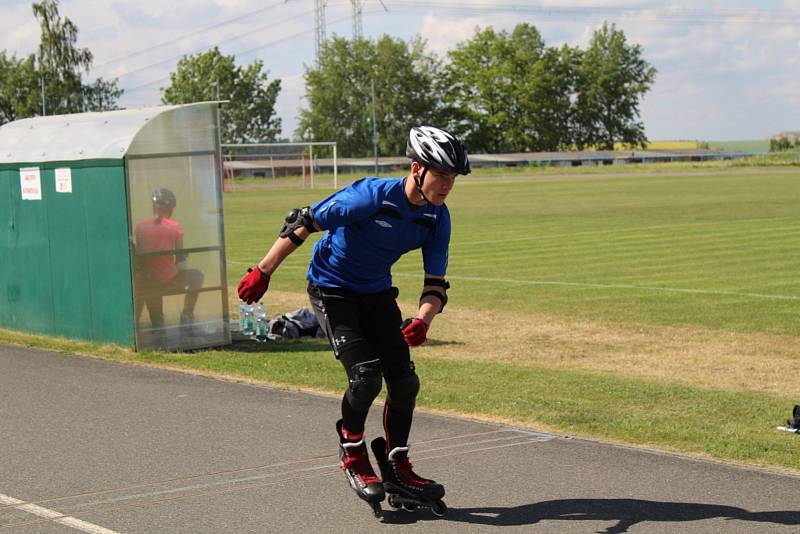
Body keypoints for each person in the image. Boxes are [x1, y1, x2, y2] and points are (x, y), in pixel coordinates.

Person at [237, 126, 470, 515]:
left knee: (404, 380)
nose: (447, 184)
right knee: (365, 377)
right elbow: (304, 221)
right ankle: (353, 451)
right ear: (416, 169)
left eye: (452, 177)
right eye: (441, 174)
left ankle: (398, 465)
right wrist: (262, 271)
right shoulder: (371, 196)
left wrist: (424, 319)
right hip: (332, 290)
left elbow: (435, 284)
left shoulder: (436, 218)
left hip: (376, 293)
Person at [134, 188, 204, 340]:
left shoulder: (140, 227)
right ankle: (186, 317)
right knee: (197, 276)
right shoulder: (175, 226)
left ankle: (157, 325)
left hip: (148, 281)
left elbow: (139, 257)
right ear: (171, 208)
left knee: (150, 285)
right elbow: (180, 260)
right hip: (169, 280)